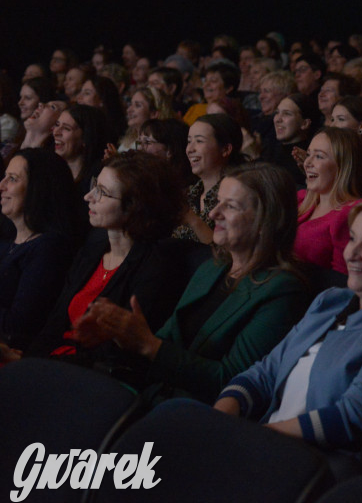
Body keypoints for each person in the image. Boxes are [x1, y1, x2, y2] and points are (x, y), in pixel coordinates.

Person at [212, 197, 362, 451]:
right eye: (352, 239)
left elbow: (353, 415)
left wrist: (253, 437)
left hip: (311, 463)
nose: (352, 254)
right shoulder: (331, 301)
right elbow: (265, 372)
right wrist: (220, 417)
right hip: (264, 442)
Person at [81, 163, 310, 402]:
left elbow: (232, 381)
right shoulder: (213, 266)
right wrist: (119, 334)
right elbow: (166, 339)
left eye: (229, 206)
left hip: (197, 416)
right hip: (155, 395)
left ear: (266, 220)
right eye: (217, 202)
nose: (213, 214)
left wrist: (149, 344)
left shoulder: (282, 290)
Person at [16, 152, 187, 366]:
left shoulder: (156, 268)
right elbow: (54, 323)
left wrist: (42, 366)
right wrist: (24, 361)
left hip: (92, 378)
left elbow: (117, 355)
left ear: (135, 207)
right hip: (52, 363)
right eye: (94, 185)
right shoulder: (93, 249)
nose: (88, 197)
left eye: (103, 193)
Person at [0, 150, 80, 351]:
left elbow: (18, 327)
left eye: (13, 179)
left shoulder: (49, 248)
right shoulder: (8, 242)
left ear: (38, 189)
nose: (2, 186)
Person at [294, 128, 362, 274]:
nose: (307, 163)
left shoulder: (352, 213)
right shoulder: (300, 199)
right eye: (309, 154)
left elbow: (341, 281)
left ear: (342, 166)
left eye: (319, 156)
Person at [173, 114, 245, 244]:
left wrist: (193, 220)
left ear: (225, 149)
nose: (190, 149)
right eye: (189, 141)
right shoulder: (188, 194)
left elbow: (229, 253)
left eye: (199, 141)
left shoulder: (237, 196)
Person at [53, 105, 113, 199]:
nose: (56, 132)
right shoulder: (50, 170)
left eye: (66, 128)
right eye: (57, 125)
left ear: (85, 138)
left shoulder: (98, 177)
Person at [118, 85, 174, 152]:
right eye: (130, 104)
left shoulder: (156, 145)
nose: (129, 110)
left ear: (154, 113)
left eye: (137, 105)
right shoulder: (129, 140)